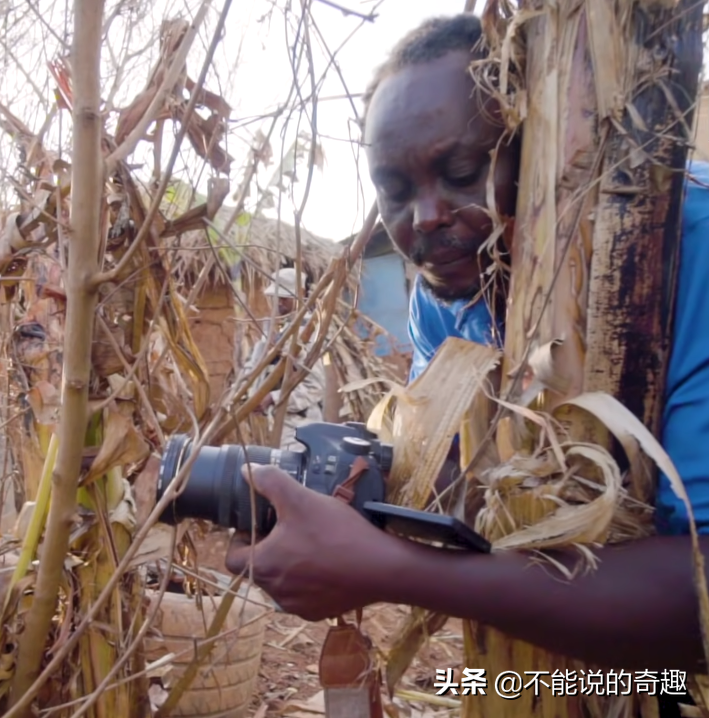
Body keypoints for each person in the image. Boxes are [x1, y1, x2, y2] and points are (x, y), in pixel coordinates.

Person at [224, 12, 709, 677]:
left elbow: (698, 596)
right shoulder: (447, 289)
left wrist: (396, 572)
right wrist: (351, 489)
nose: (423, 218)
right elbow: (460, 471)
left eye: (458, 172)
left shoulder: (687, 255)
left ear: (536, 145)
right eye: (393, 192)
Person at [243, 267, 326, 452]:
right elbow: (254, 366)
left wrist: (272, 398)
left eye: (284, 298)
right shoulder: (275, 329)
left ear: (299, 295)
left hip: (299, 429)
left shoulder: (307, 333)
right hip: (274, 426)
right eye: (276, 297)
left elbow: (316, 387)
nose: (278, 303)